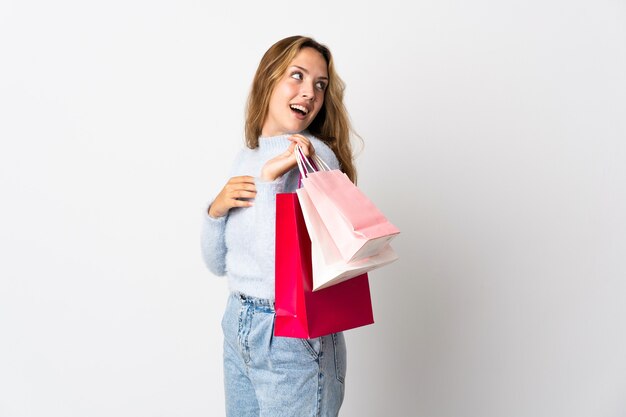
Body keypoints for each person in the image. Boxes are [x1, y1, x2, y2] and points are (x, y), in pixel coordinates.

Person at [201, 35, 358, 417]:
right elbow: (217, 264)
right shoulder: (247, 157)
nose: (309, 93)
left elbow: (282, 269)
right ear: (269, 79)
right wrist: (215, 211)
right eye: (297, 76)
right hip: (239, 323)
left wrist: (272, 183)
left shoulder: (313, 156)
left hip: (291, 332)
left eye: (319, 85)